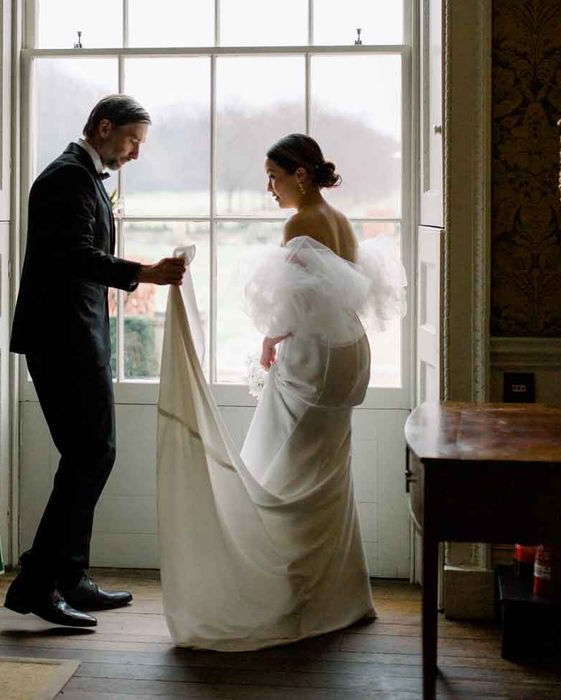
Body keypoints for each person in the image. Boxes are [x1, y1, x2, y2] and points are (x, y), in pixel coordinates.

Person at [157, 133, 404, 650]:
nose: (268, 186)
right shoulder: (338, 218)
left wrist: (270, 341)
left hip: (318, 355)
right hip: (351, 349)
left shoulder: (300, 223)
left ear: (300, 174)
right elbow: (334, 292)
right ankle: (336, 597)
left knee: (288, 469)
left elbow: (293, 303)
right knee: (324, 469)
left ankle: (286, 598)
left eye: (273, 175)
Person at [5, 95, 185, 627]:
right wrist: (144, 273)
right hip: (61, 339)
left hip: (76, 336)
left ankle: (69, 577)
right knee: (90, 455)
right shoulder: (65, 179)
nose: (134, 153)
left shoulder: (82, 176)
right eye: (132, 141)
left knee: (91, 454)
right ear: (104, 128)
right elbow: (73, 257)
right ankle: (40, 583)